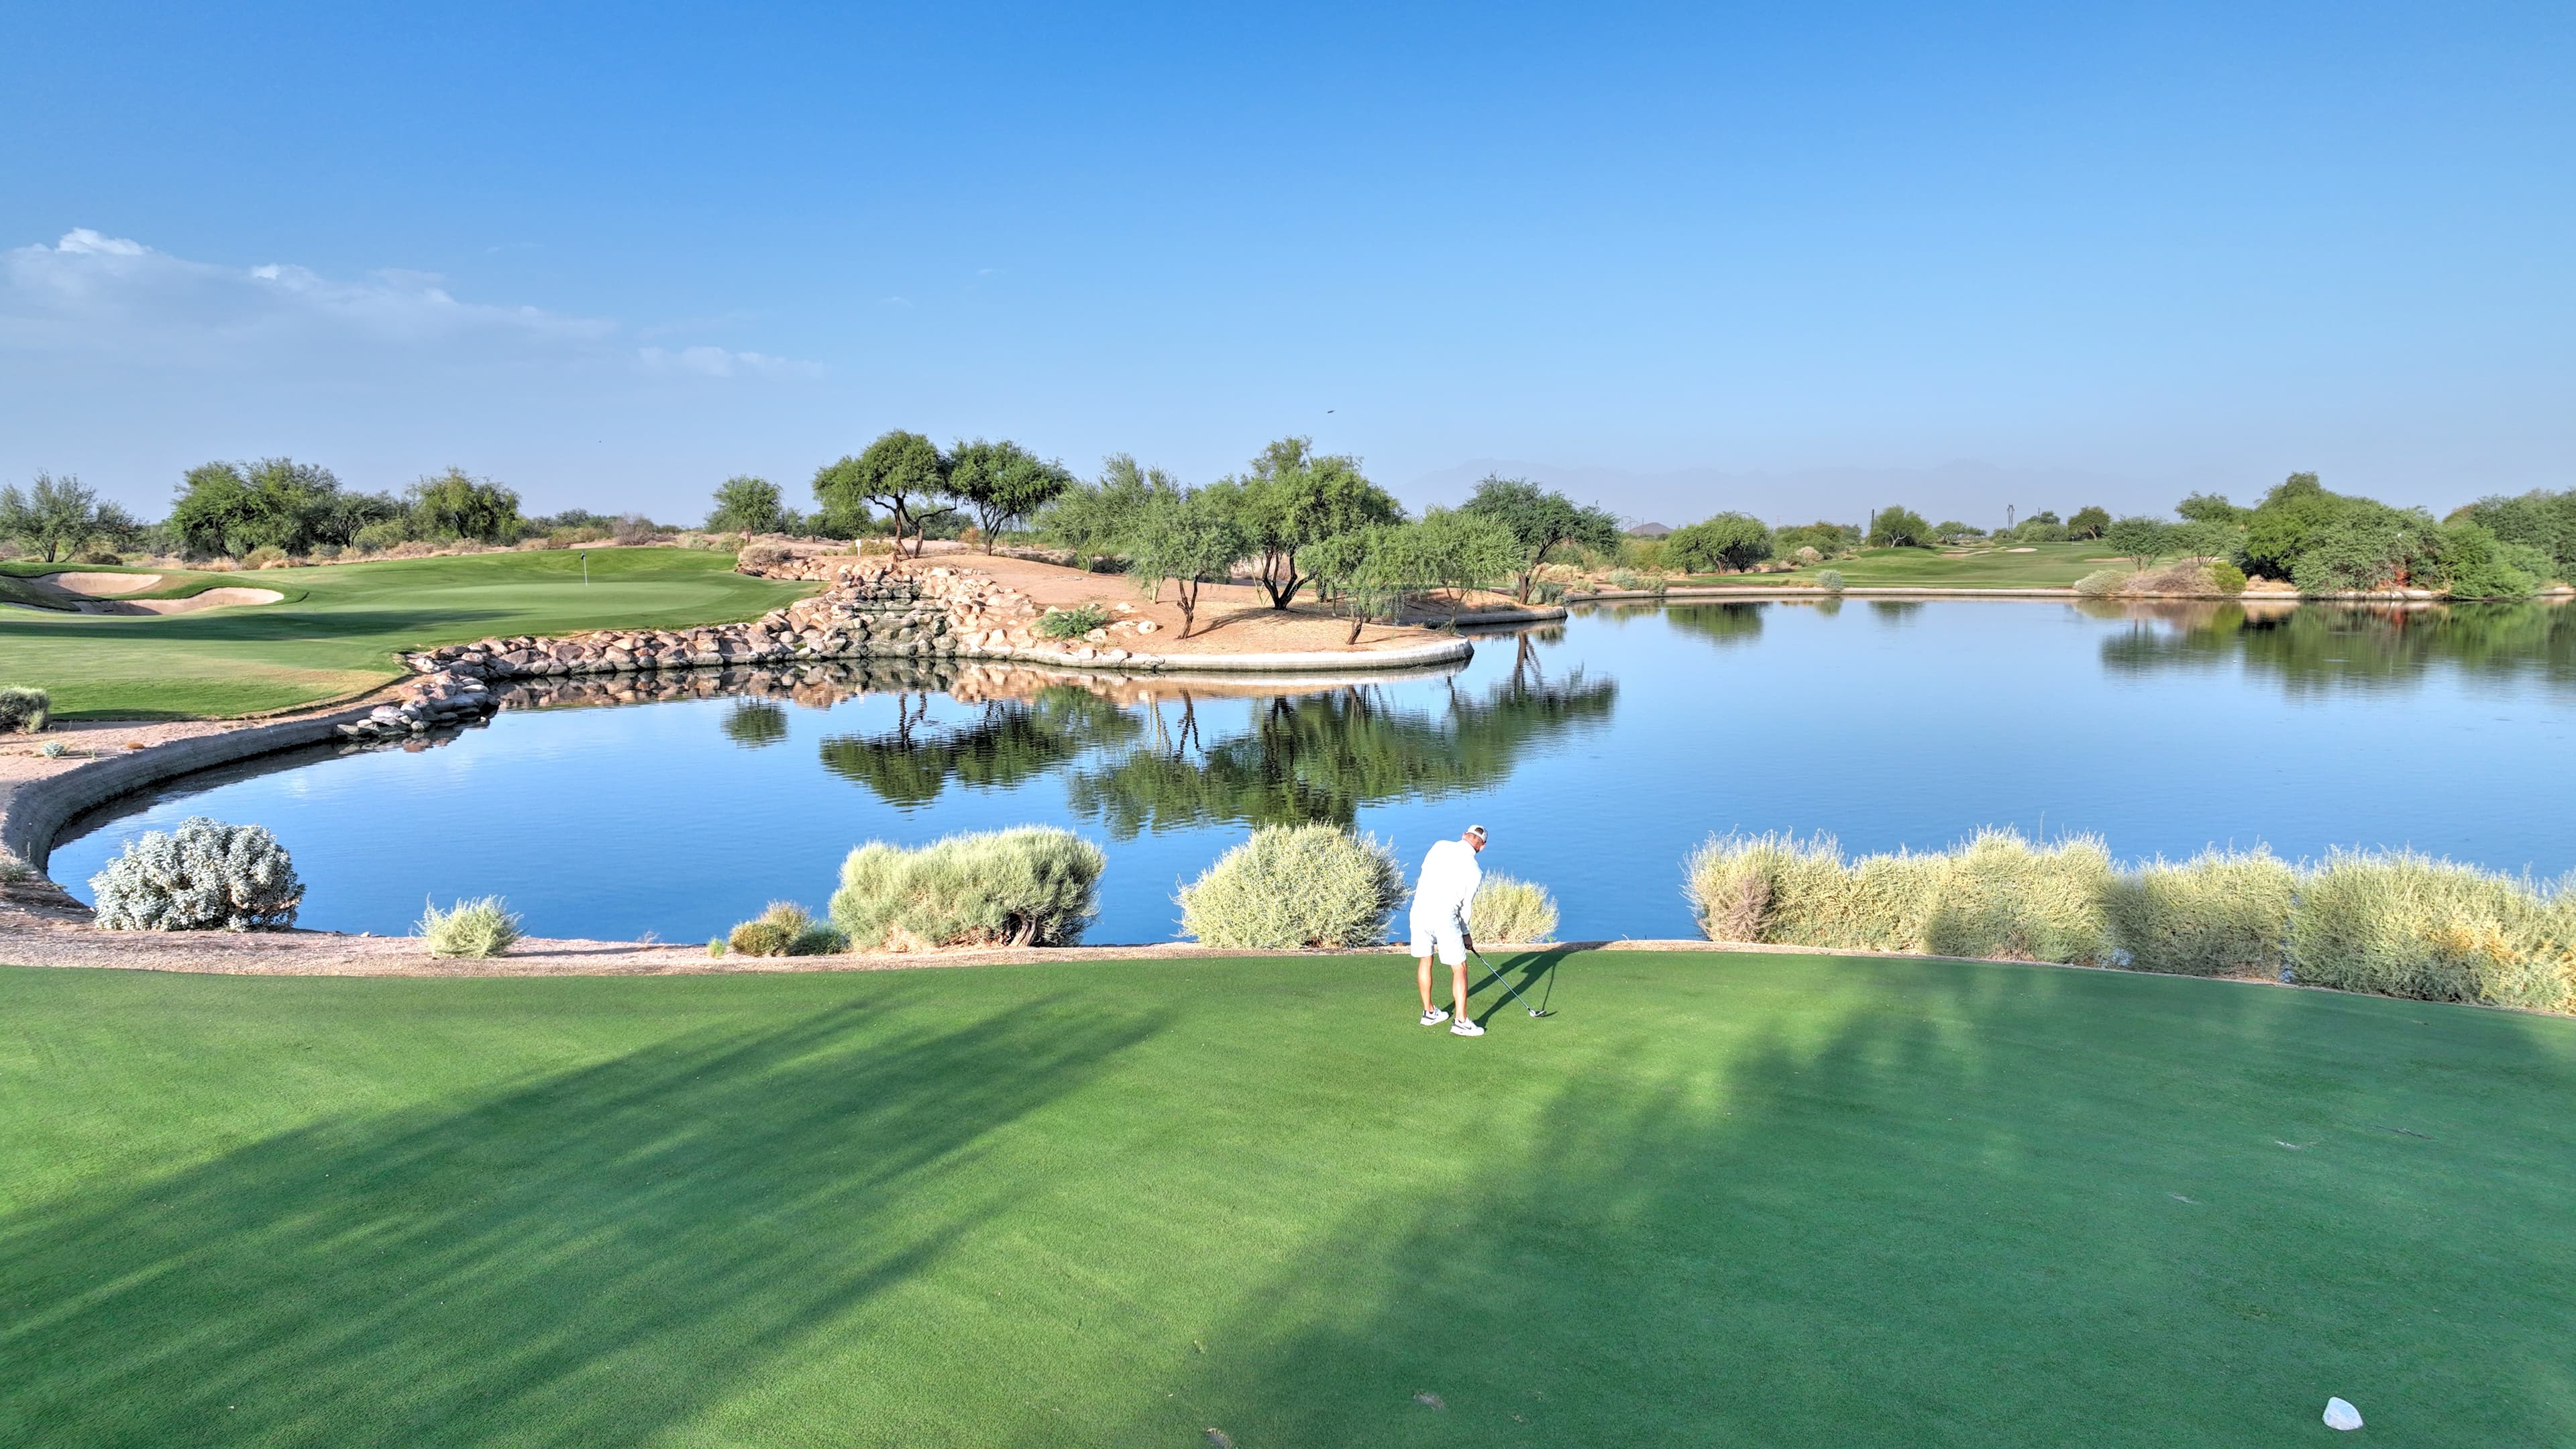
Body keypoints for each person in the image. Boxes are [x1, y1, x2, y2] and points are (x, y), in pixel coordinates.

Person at [1411, 824, 1488, 1036]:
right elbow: (1466, 908)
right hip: (1445, 916)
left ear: (1464, 835)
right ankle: (1461, 1022)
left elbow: (1425, 871)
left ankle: (1429, 1013)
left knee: (1426, 960)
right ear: (1482, 847)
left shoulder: (1439, 846)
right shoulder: (1475, 871)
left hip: (1419, 910)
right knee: (1459, 968)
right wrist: (1466, 934)